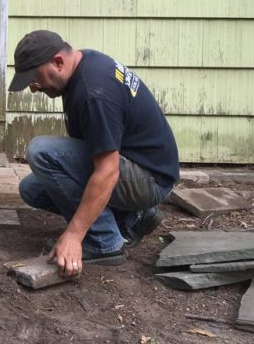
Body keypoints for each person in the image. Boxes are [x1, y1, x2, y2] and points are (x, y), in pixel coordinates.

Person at [9, 30, 179, 277]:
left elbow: (108, 171)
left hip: (149, 178)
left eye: (35, 78)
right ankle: (131, 218)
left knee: (41, 151)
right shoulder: (85, 64)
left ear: (58, 62)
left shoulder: (93, 92)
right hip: (139, 169)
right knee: (32, 189)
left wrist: (74, 235)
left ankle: (103, 243)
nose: (35, 89)